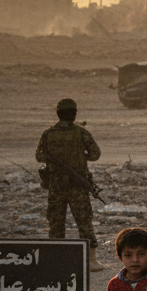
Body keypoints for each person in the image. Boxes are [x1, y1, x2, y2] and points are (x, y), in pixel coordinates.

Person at [36, 97, 104, 270]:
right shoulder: (81, 133)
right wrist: (81, 157)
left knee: (56, 222)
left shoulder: (48, 133)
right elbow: (95, 154)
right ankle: (91, 261)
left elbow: (39, 156)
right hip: (78, 187)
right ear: (73, 114)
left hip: (57, 186)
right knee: (84, 221)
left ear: (59, 114)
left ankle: (56, 260)